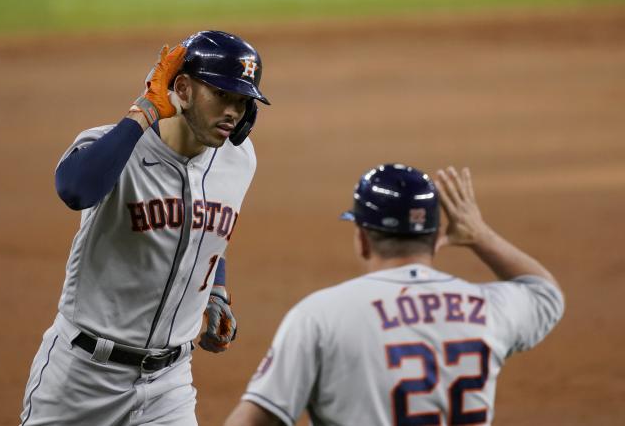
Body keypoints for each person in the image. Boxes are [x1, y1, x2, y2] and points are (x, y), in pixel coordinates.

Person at [20, 30, 270, 426]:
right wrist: (142, 113)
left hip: (168, 386)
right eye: (221, 95)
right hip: (81, 380)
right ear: (183, 88)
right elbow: (74, 190)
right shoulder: (114, 146)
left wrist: (215, 290)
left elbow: (209, 225)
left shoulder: (238, 159)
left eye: (242, 101)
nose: (233, 113)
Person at [225, 164, 564, 426]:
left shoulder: (321, 315)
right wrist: (480, 235)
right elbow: (545, 293)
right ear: (435, 239)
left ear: (362, 238)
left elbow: (255, 419)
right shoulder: (489, 308)